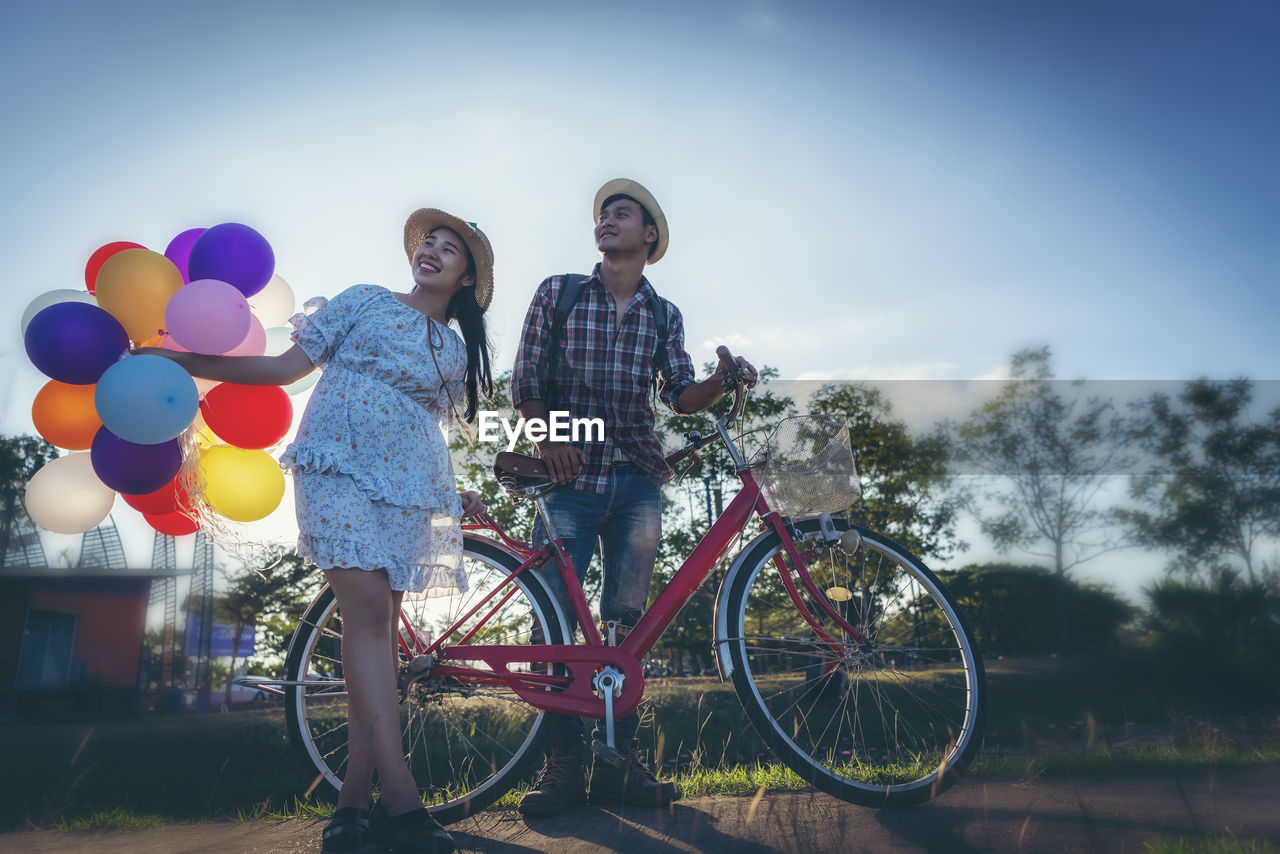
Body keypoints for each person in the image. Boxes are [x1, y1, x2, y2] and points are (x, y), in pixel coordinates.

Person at [144, 208, 495, 854]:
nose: (433, 251)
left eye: (451, 249)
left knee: (378, 635)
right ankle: (403, 801)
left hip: (411, 487)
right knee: (363, 611)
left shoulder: (452, 347)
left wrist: (454, 491)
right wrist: (185, 360)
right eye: (430, 241)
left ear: (468, 278)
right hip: (337, 462)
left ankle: (350, 807)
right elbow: (284, 370)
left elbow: (433, 427)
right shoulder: (363, 300)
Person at [511, 178, 756, 816]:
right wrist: (546, 441)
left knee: (627, 627)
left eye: (620, 214)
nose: (606, 221)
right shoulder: (558, 293)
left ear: (649, 236)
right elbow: (527, 376)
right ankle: (560, 766)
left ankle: (619, 763)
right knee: (556, 627)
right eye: (602, 215)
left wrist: (719, 380)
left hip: (638, 480)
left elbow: (679, 394)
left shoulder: (663, 313)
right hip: (568, 480)